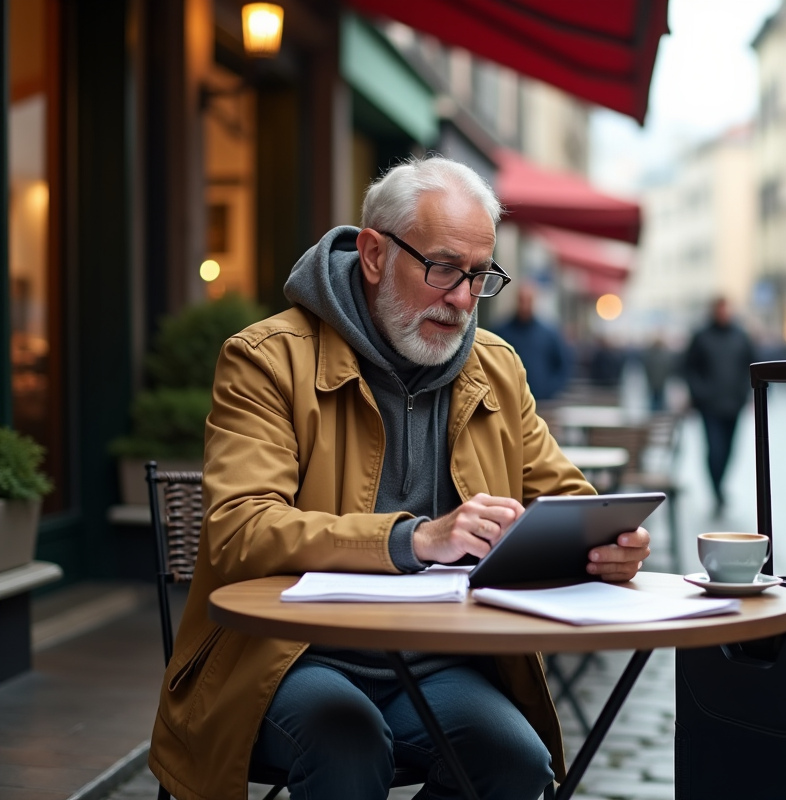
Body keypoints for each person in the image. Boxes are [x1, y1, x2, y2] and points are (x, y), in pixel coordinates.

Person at [148, 156, 652, 800]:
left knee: (517, 763)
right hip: (286, 655)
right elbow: (239, 528)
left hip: (442, 660)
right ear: (374, 253)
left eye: (479, 276)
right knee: (349, 749)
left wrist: (605, 544)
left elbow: (565, 496)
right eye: (444, 269)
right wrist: (412, 539)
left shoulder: (496, 368)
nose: (464, 299)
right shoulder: (266, 360)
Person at [683, 297, 757, 517]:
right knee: (714, 450)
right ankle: (716, 491)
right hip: (710, 406)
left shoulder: (740, 336)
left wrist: (745, 393)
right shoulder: (701, 336)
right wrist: (700, 392)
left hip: (734, 403)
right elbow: (689, 368)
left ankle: (720, 486)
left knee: (729, 450)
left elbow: (751, 366)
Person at [490, 283, 572, 401]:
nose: (524, 305)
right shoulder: (501, 332)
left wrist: (549, 390)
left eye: (528, 300)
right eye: (521, 300)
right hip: (509, 401)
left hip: (542, 402)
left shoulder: (549, 333)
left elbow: (563, 366)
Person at [640, 335, 676, 412]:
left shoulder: (649, 355)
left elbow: (646, 367)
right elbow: (668, 367)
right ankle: (658, 413)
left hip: (653, 381)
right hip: (660, 381)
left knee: (654, 399)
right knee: (659, 398)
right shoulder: (664, 355)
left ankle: (654, 413)